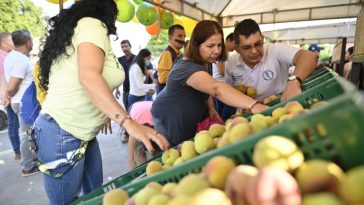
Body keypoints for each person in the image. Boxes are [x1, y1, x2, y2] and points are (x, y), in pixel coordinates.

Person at [35, 0, 169, 204]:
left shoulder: (85, 28)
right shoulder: (92, 24)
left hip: (81, 132)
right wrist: (130, 124)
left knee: (94, 197)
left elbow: (80, 77)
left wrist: (103, 109)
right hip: (63, 132)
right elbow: (88, 77)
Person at [151, 20, 269, 147]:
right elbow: (216, 88)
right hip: (169, 116)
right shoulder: (186, 68)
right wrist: (254, 105)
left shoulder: (205, 61)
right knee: (178, 150)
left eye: (219, 45)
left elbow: (206, 87)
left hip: (188, 115)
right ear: (196, 44)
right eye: (210, 46)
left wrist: (211, 107)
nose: (217, 51)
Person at [225, 19, 318, 102]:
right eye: (247, 47)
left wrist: (294, 81)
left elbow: (310, 57)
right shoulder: (230, 63)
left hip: (281, 108)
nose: (254, 51)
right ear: (237, 48)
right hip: (247, 115)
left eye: (258, 44)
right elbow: (229, 90)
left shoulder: (275, 50)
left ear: (263, 39)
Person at [3, 30, 39, 176]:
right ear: (28, 42)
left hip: (22, 102)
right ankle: (28, 167)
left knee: (30, 134)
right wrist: (9, 94)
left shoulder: (12, 56)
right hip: (25, 103)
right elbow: (12, 85)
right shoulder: (20, 60)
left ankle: (33, 162)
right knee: (28, 135)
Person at [0, 32, 21, 160]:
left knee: (15, 123)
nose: (13, 42)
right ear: (3, 43)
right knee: (14, 123)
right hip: (8, 94)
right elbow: (4, 78)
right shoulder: (2, 57)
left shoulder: (6, 55)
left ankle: (18, 151)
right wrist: (5, 95)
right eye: (10, 40)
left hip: (8, 93)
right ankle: (18, 151)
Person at [213, 33, 237, 121]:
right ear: (229, 40)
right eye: (235, 43)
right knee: (224, 115)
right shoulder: (220, 52)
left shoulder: (226, 53)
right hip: (220, 87)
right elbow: (222, 71)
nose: (235, 47)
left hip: (223, 86)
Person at [157, 24, 186, 93]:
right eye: (179, 36)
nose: (183, 39)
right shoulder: (167, 53)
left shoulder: (180, 54)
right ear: (170, 38)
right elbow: (162, 79)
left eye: (184, 36)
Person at [127, 101, 154, 169]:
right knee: (138, 150)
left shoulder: (158, 124)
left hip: (149, 109)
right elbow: (131, 158)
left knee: (157, 148)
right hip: (136, 110)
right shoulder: (134, 128)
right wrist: (135, 172)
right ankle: (142, 169)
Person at [114, 40, 135, 110]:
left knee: (135, 111)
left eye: (126, 46)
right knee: (127, 110)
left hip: (135, 90)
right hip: (125, 90)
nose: (124, 48)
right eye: (122, 47)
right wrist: (117, 89)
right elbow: (118, 75)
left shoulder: (137, 58)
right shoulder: (119, 60)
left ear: (130, 46)